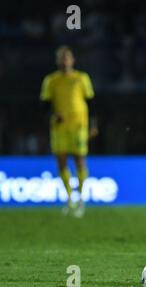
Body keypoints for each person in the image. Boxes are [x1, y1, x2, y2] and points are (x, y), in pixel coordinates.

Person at [40, 46, 97, 218]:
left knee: (80, 161)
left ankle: (80, 198)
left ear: (72, 60)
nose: (65, 62)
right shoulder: (51, 80)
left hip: (79, 126)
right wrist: (53, 114)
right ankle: (69, 198)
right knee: (62, 163)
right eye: (62, 59)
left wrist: (93, 124)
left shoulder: (81, 78)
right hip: (59, 128)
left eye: (67, 58)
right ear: (58, 62)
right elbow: (44, 106)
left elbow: (91, 102)